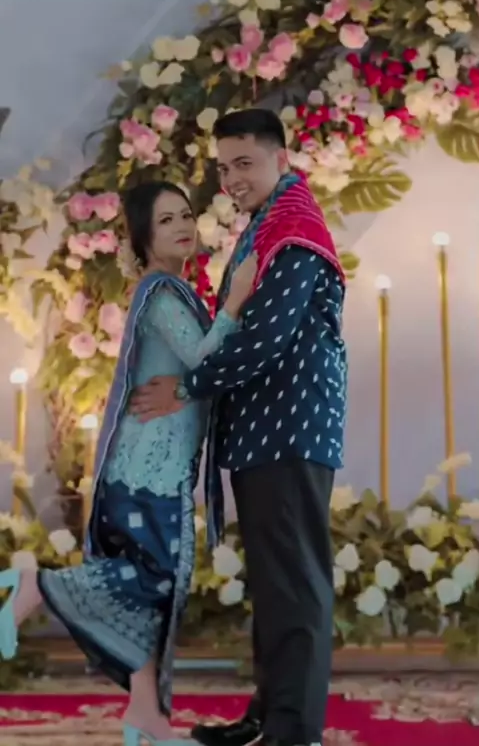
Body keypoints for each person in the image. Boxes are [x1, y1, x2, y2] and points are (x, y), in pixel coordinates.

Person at [0, 180, 257, 746]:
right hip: (147, 473)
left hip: (149, 471)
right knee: (155, 582)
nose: (182, 226)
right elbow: (206, 358)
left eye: (185, 215)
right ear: (142, 238)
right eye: (166, 221)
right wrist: (236, 300)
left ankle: (147, 716)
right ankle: (38, 584)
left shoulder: (176, 292)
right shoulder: (162, 295)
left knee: (154, 600)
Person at [129, 109, 348, 746]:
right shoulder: (271, 222)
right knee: (276, 584)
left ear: (282, 158)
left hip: (288, 429)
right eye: (224, 168)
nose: (231, 180)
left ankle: (292, 732)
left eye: (244, 163)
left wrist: (187, 388)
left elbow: (266, 338)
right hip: (268, 430)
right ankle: (268, 717)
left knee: (295, 584)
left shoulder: (294, 231)